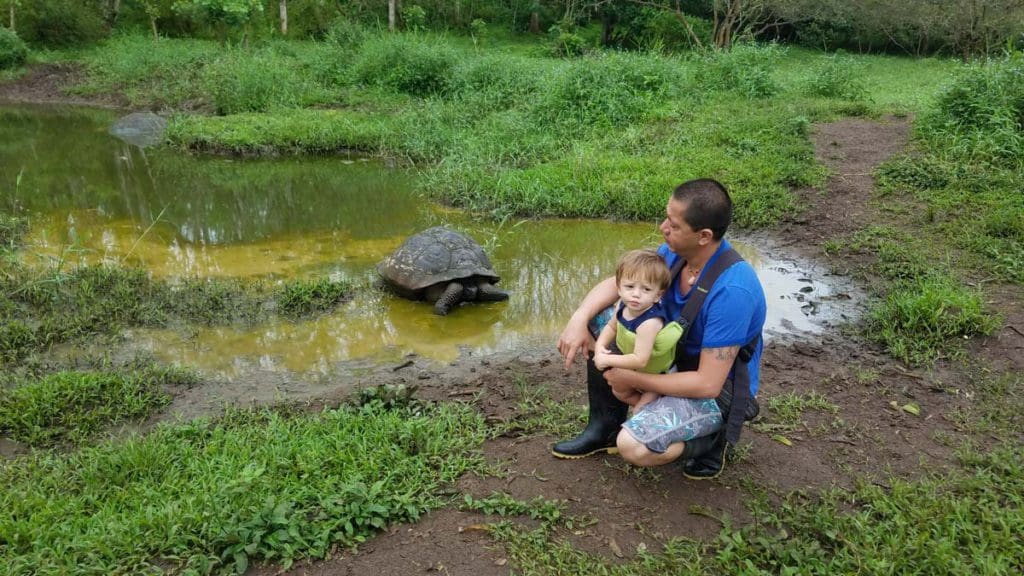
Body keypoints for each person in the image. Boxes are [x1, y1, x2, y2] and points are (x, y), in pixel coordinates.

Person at [553, 178, 766, 479]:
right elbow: (619, 285)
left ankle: (711, 444)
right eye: (667, 216)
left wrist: (634, 378)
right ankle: (603, 430)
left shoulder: (733, 291)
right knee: (601, 317)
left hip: (716, 390)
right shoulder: (674, 254)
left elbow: (708, 384)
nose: (663, 227)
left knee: (634, 447)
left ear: (704, 235)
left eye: (674, 224)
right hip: (669, 361)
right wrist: (579, 317)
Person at [592, 249, 675, 410]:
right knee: (619, 393)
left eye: (646, 289)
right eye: (630, 286)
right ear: (619, 288)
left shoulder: (649, 323)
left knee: (638, 412)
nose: (636, 294)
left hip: (656, 376)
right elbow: (611, 326)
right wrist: (599, 347)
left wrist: (607, 359)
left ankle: (650, 406)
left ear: (658, 295)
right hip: (637, 368)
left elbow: (640, 359)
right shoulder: (623, 305)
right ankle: (651, 410)